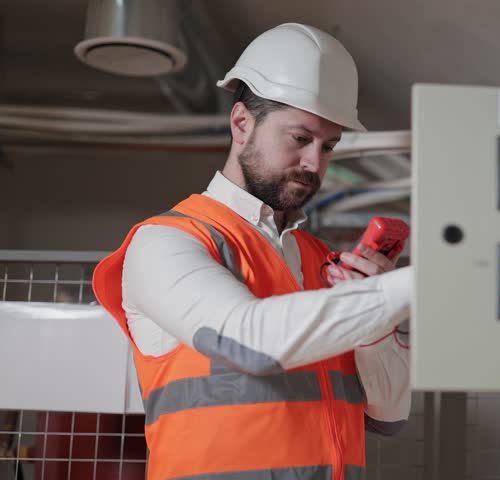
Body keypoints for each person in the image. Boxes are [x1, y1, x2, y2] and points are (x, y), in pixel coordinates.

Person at [93, 23, 412, 480]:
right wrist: (417, 282)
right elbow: (250, 342)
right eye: (300, 139)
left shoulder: (324, 262)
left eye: (329, 146)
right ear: (242, 123)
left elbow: (389, 415)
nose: (315, 165)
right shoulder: (166, 242)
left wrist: (375, 323)